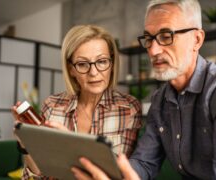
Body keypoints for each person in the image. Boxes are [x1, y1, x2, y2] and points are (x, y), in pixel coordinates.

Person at [71, 0, 216, 179]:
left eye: (166, 36)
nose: (153, 50)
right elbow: (144, 163)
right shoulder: (160, 101)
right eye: (149, 38)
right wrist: (103, 170)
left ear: (197, 39)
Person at [11, 25, 142, 179]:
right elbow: (36, 177)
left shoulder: (128, 108)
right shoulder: (53, 105)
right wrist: (27, 144)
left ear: (111, 64)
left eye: (102, 61)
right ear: (71, 69)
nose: (93, 73)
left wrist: (68, 146)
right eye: (82, 64)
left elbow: (121, 175)